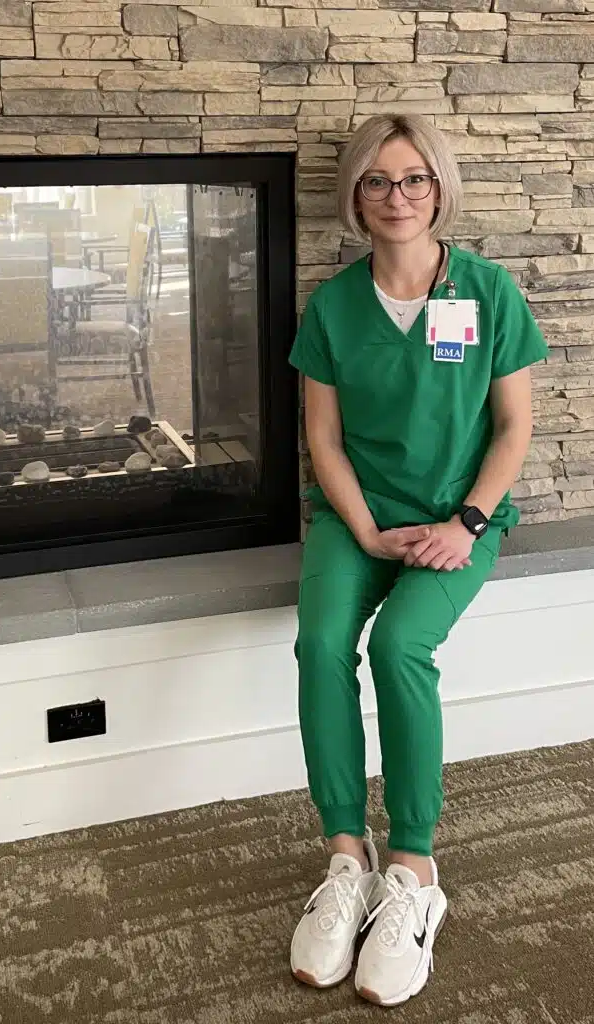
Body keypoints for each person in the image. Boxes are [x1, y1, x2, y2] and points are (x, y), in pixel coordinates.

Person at [287, 113, 548, 1007]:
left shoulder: (487, 291)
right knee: (319, 643)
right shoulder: (331, 306)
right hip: (358, 519)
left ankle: (412, 871)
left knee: (400, 646)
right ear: (353, 196)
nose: (395, 198)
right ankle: (344, 857)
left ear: (438, 188)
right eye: (376, 182)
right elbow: (322, 440)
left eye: (413, 180)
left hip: (459, 519)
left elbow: (512, 428)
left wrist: (467, 521)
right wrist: (361, 532)